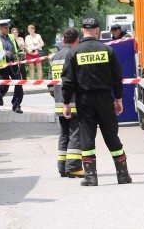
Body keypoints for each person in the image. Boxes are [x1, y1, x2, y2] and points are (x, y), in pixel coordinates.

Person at [61, 17, 132, 186]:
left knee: (87, 137)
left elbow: (68, 81)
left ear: (82, 30)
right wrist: (119, 99)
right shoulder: (108, 51)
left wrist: (66, 104)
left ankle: (91, 177)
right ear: (98, 31)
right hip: (105, 99)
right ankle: (123, 175)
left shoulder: (74, 52)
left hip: (84, 101)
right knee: (111, 135)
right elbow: (117, 78)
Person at [49, 28, 84, 178]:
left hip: (59, 102)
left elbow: (50, 85)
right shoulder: (74, 55)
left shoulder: (54, 57)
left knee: (64, 135)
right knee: (76, 134)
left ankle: (62, 167)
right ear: (77, 41)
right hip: (73, 102)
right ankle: (74, 167)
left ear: (63, 40)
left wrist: (58, 97)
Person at [0, 19, 24, 113]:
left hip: (13, 65)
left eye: (8, 27)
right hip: (2, 66)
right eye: (5, 28)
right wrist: (4, 53)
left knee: (19, 84)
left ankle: (16, 105)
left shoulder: (11, 37)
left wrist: (20, 54)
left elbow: (17, 50)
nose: (7, 29)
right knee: (4, 86)